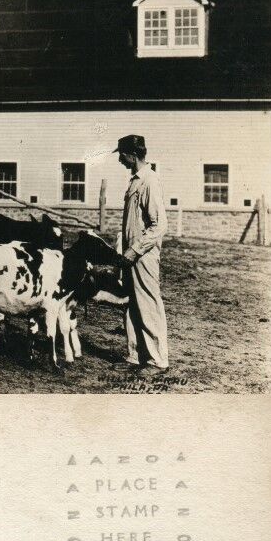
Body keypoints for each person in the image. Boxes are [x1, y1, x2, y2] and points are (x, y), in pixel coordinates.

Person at [115, 134, 169, 371]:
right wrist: (123, 249)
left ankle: (157, 360)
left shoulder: (149, 180)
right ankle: (136, 356)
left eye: (121, 155)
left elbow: (159, 225)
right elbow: (131, 223)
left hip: (143, 255)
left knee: (147, 303)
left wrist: (135, 250)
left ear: (132, 155)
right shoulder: (135, 180)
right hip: (130, 253)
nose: (119, 160)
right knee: (132, 304)